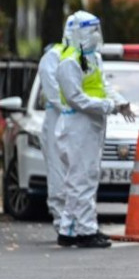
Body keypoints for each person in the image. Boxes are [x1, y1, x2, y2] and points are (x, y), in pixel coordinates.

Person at [55, 11, 135, 248]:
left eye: (97, 29)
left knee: (84, 177)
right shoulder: (69, 62)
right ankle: (85, 230)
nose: (96, 35)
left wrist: (119, 101)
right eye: (91, 30)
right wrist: (110, 106)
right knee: (81, 179)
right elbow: (76, 98)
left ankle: (68, 229)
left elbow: (103, 86)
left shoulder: (93, 58)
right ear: (78, 32)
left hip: (92, 124)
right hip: (77, 125)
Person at [37, 15, 76, 233]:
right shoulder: (54, 56)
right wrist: (70, 107)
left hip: (75, 120)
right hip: (58, 117)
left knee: (76, 172)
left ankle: (76, 222)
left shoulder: (84, 57)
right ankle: (62, 222)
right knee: (58, 170)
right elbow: (52, 90)